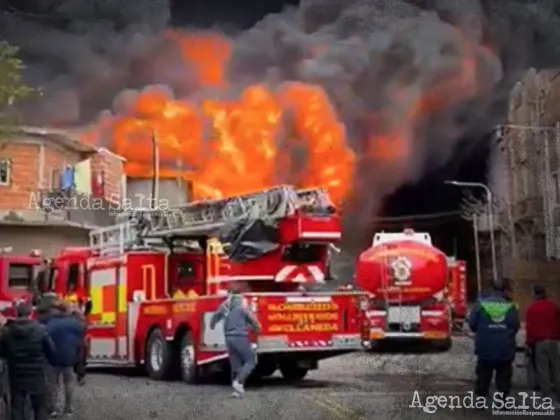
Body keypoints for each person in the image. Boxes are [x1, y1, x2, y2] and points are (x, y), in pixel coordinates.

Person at [0, 301, 54, 420]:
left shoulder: (7, 332)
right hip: (37, 374)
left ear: (16, 313)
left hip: (16, 374)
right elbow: (51, 350)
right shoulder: (40, 330)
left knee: (17, 407)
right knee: (39, 407)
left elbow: (2, 352)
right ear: (30, 313)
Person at [468, 280, 520, 398]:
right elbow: (515, 326)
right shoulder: (511, 307)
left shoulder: (481, 305)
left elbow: (472, 324)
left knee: (483, 375)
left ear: (492, 289)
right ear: (504, 290)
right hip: (505, 348)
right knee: (504, 376)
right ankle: (503, 400)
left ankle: (481, 399)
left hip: (485, 347)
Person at [210, 289, 260, 398]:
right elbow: (252, 318)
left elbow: (215, 316)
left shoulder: (225, 305)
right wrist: (257, 328)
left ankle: (236, 391)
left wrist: (212, 325)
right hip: (240, 337)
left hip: (228, 338)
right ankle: (238, 381)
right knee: (250, 360)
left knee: (235, 365)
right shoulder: (243, 305)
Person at [45, 302, 85, 416]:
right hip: (69, 357)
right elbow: (83, 330)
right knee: (68, 384)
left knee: (53, 384)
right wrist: (78, 313)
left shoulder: (51, 322)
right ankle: (68, 408)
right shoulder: (74, 323)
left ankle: (53, 409)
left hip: (53, 357)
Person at [525, 284, 560, 402]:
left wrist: (529, 343)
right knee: (555, 368)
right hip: (553, 341)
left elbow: (530, 328)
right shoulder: (554, 306)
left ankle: (547, 397)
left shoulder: (531, 308)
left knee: (542, 370)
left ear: (534, 294)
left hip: (539, 342)